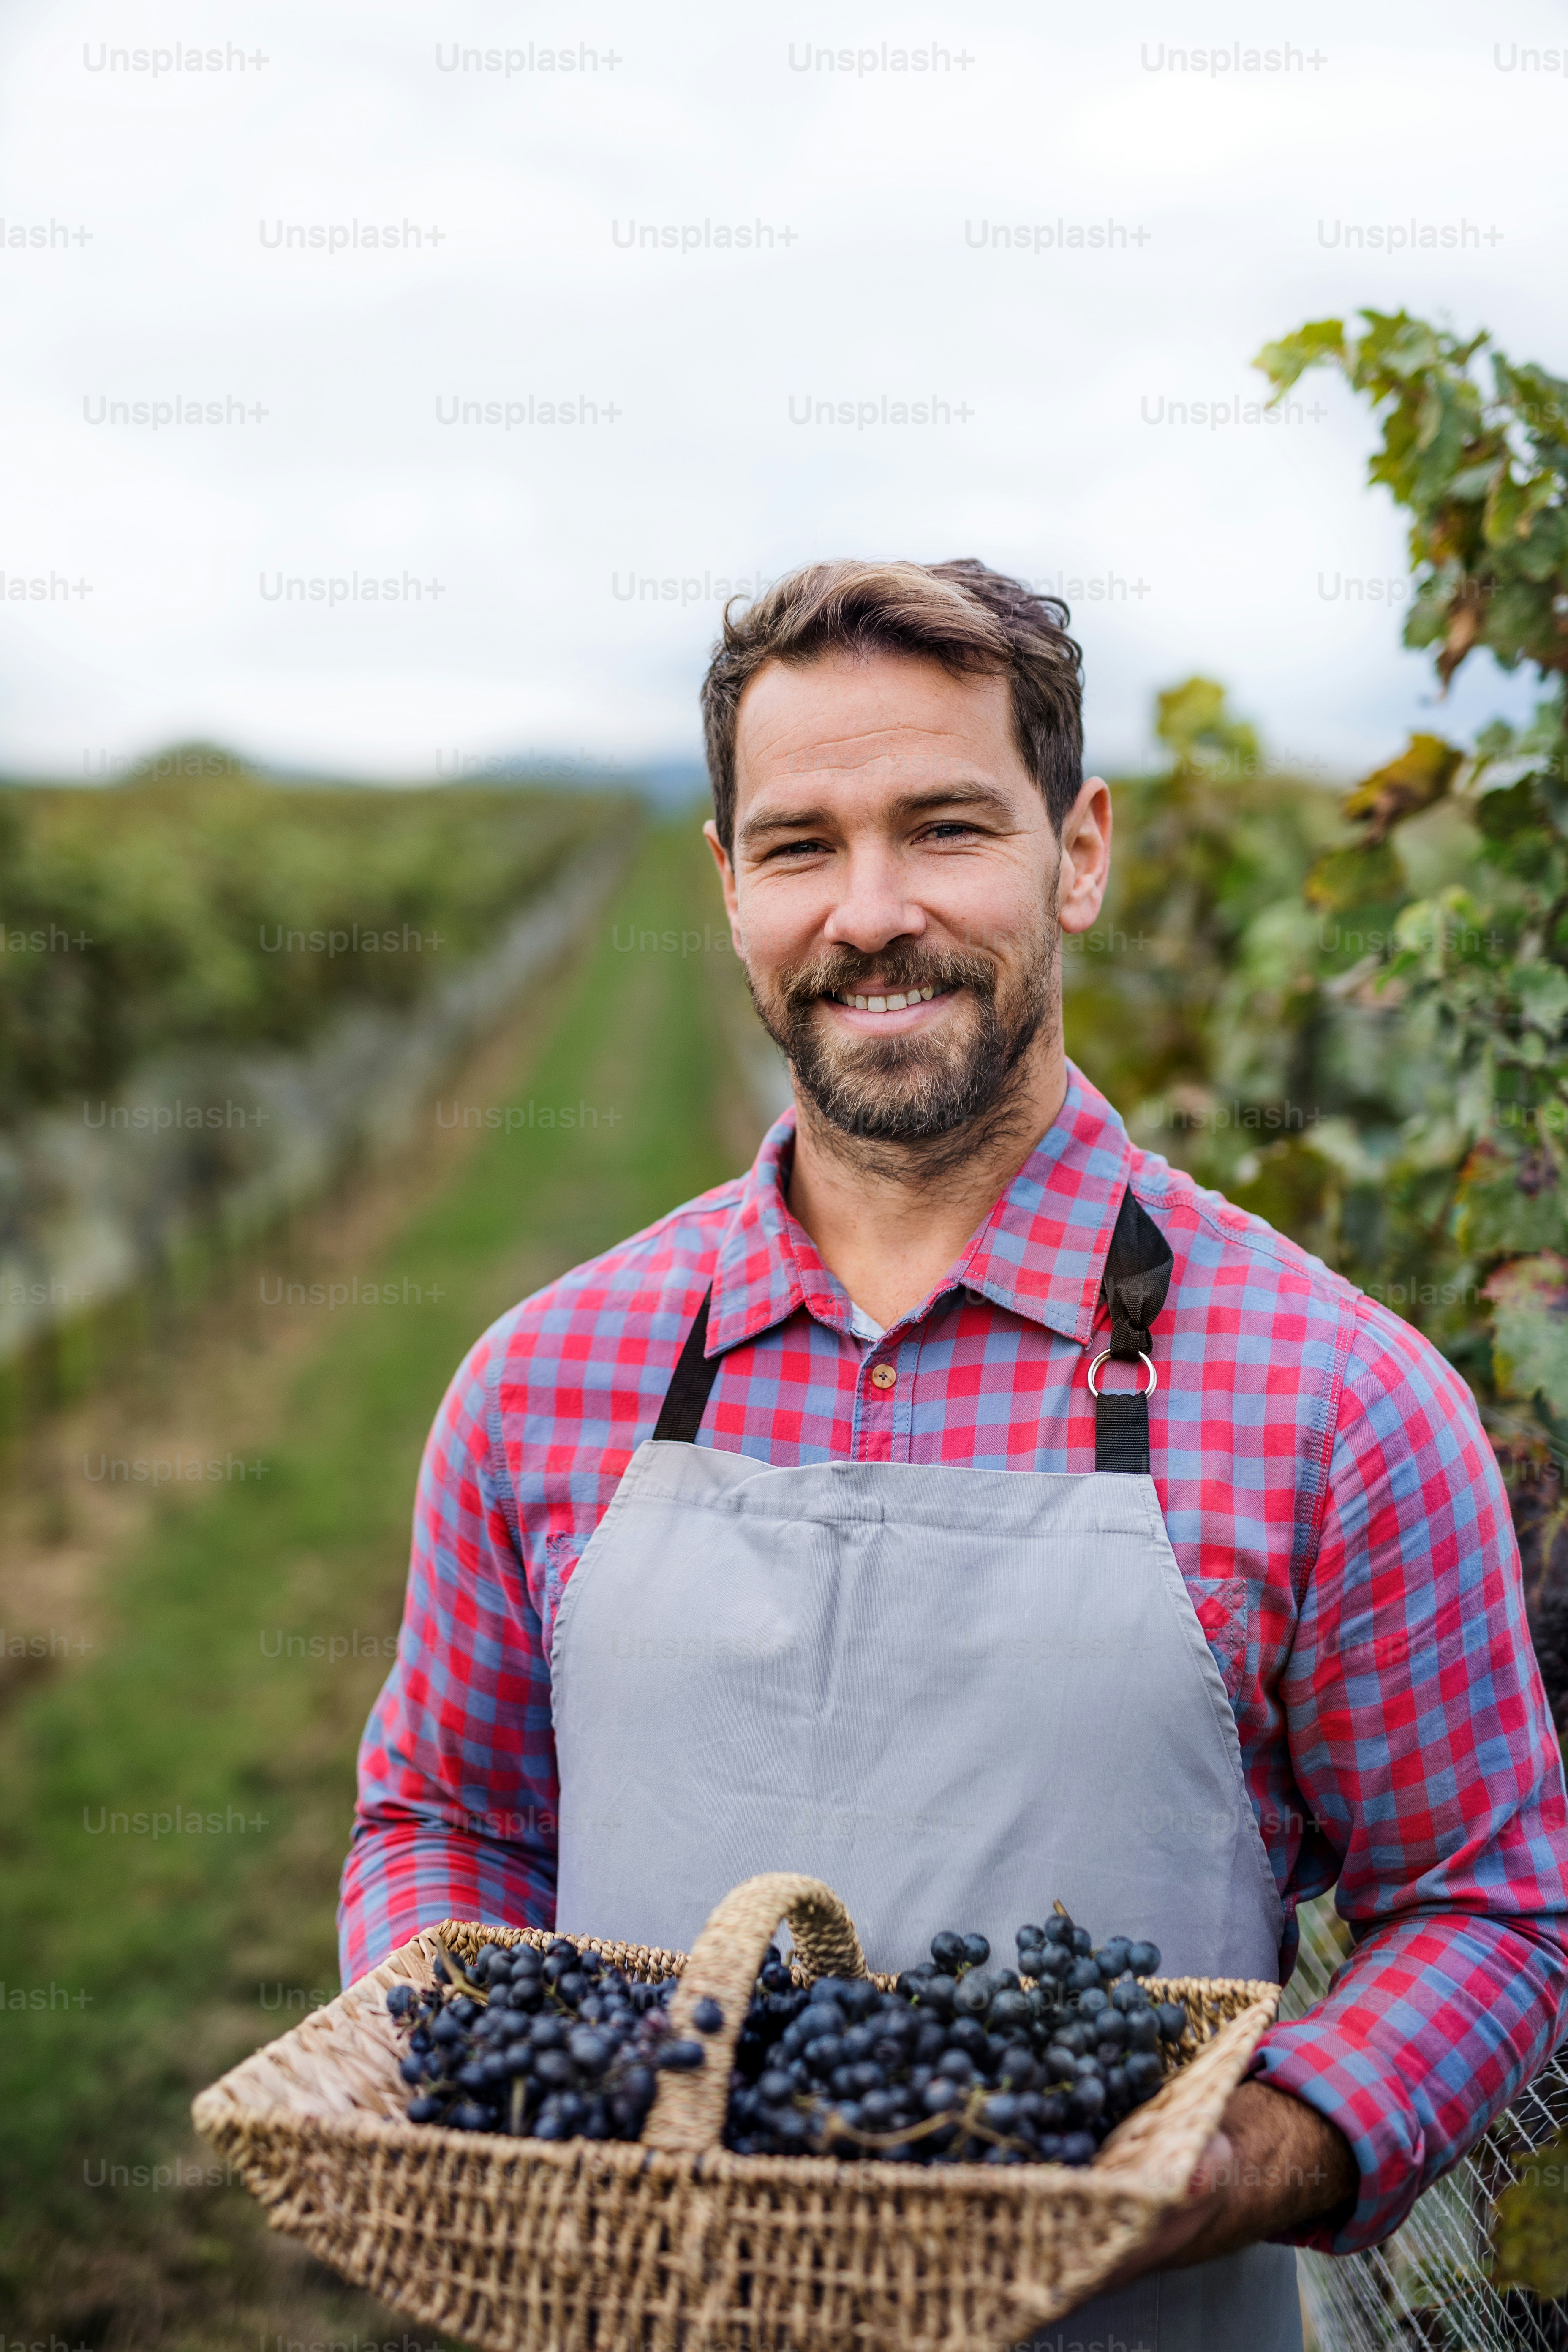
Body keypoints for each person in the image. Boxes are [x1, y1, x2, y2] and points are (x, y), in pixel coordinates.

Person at [339, 558, 1568, 2349]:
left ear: (1077, 853)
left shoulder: (1336, 1403)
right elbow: (444, 1818)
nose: (871, 912)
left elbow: (1489, 1909)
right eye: (799, 846)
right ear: (727, 885)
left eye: (944, 828)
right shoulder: (544, 1381)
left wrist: (1259, 2151)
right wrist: (474, 2072)